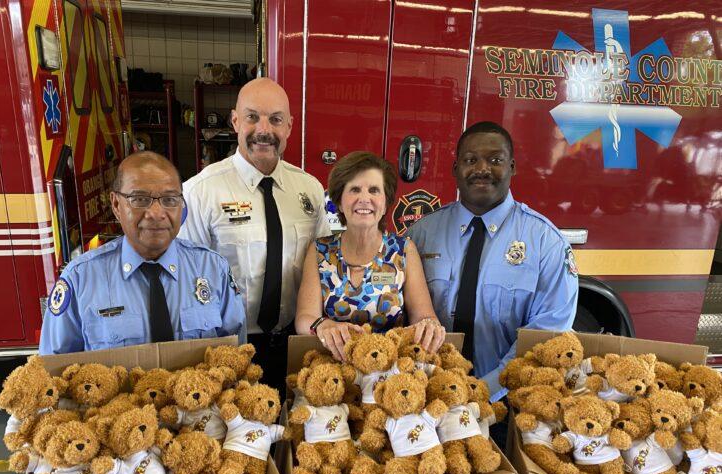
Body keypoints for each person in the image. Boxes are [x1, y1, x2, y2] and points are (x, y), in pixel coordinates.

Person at [179, 78, 329, 393]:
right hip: (228, 347)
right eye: (252, 117)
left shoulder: (310, 190)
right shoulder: (200, 192)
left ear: (289, 126)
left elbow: (324, 267)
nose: (263, 129)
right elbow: (186, 281)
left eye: (275, 119)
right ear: (235, 121)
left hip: (296, 339)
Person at [407, 121, 578, 398]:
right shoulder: (420, 235)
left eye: (495, 160)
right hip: (428, 396)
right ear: (455, 169)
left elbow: (548, 332)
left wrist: (487, 390)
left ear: (512, 167)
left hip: (509, 401)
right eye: (470, 160)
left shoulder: (545, 241)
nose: (482, 169)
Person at [39, 152, 246, 354]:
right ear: (116, 205)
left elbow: (237, 358)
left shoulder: (213, 270)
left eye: (169, 199)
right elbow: (54, 375)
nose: (156, 213)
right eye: (140, 199)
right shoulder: (79, 280)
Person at [295, 151, 445, 362]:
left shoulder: (404, 250)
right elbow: (304, 318)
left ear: (385, 203)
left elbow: (424, 316)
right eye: (354, 189)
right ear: (339, 201)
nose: (364, 199)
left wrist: (429, 325)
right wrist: (322, 325)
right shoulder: (320, 250)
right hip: (334, 368)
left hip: (391, 370)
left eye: (374, 190)